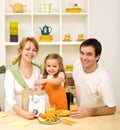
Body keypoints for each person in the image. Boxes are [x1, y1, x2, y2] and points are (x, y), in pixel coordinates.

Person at [70, 38, 116, 118]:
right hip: (80, 115)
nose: (83, 58)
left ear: (97, 56)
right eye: (82, 53)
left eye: (89, 54)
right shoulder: (77, 64)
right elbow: (77, 80)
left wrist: (89, 111)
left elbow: (112, 108)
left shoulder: (103, 78)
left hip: (97, 118)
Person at [4, 37, 41, 119]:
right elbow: (9, 98)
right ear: (20, 51)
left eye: (34, 50)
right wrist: (23, 113)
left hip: (32, 114)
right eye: (27, 49)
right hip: (14, 115)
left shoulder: (37, 70)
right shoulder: (10, 72)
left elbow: (38, 93)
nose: (31, 52)